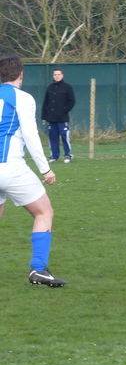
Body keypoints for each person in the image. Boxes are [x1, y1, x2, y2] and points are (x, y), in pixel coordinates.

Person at [0, 56, 66, 287]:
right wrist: (45, 169)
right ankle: (38, 269)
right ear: (21, 75)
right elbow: (30, 135)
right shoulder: (23, 98)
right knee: (44, 212)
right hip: (10, 167)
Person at [41, 67, 76, 164]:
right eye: (55, 74)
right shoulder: (50, 87)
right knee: (53, 138)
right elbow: (45, 102)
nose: (57, 76)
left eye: (58, 74)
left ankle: (67, 155)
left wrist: (64, 110)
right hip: (51, 118)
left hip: (62, 118)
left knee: (65, 136)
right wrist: (44, 116)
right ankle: (54, 156)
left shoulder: (67, 87)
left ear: (62, 75)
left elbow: (72, 101)